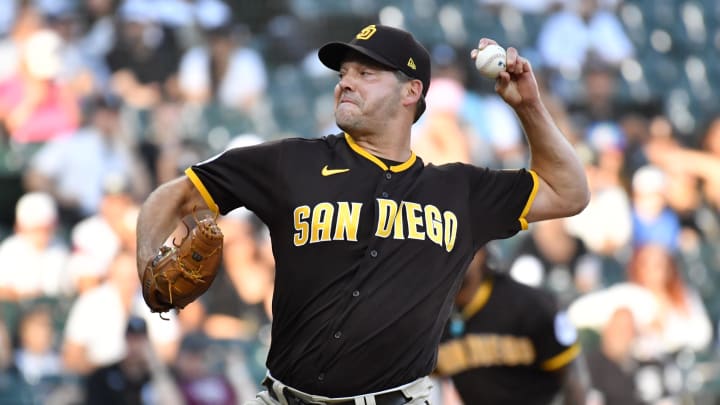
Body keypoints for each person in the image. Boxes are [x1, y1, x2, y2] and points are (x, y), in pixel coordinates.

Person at [136, 24, 589, 404]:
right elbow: (173, 197)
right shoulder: (288, 164)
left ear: (412, 91)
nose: (345, 82)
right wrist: (146, 265)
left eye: (366, 72)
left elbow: (568, 192)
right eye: (343, 72)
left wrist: (528, 107)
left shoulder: (459, 190)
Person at [435, 247, 590, 405]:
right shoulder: (427, 316)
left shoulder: (530, 305)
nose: (451, 259)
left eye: (457, 249)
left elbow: (571, 375)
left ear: (482, 252)